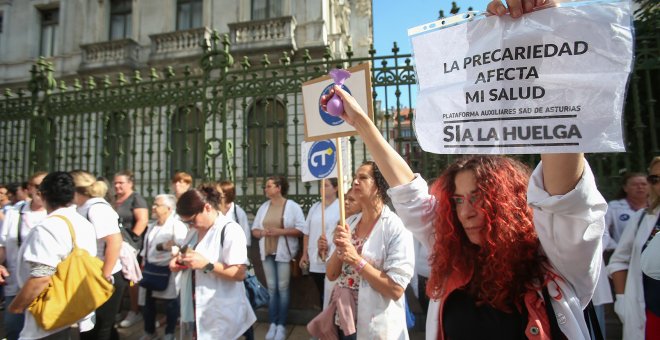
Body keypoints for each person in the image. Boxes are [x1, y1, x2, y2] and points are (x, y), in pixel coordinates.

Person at [325, 43, 608, 339]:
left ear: (508, 202)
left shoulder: (555, 261)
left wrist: (545, 36)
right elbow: (408, 191)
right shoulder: (452, 255)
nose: (465, 212)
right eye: (458, 200)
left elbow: (565, 195)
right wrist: (358, 121)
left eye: (478, 198)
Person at [309, 161, 415, 339]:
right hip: (343, 320)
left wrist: (356, 260)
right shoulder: (350, 223)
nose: (355, 182)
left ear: (380, 185)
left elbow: (396, 289)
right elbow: (332, 274)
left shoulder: (396, 227)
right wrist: (339, 248)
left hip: (376, 324)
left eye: (363, 178)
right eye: (355, 178)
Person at [7, 171, 98, 339]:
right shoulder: (84, 224)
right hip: (75, 306)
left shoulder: (47, 228)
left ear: (42, 196)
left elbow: (41, 278)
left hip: (49, 313)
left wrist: (16, 307)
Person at [172, 184, 256, 339]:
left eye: (192, 220)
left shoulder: (230, 230)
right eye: (187, 223)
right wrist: (178, 261)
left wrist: (206, 265)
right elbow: (187, 254)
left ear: (207, 207)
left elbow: (239, 273)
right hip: (194, 309)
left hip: (220, 310)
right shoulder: (193, 231)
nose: (191, 225)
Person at [608, 156, 660, 340]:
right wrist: (622, 301)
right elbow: (619, 261)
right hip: (651, 312)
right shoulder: (642, 218)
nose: (657, 184)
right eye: (654, 179)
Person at [71, 170, 125, 340]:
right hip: (90, 275)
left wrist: (104, 276)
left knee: (98, 329)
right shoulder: (81, 207)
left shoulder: (97, 208)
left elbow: (114, 242)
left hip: (104, 275)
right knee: (98, 328)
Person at [251, 176, 305, 340]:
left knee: (283, 288)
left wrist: (281, 232)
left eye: (268, 186)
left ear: (278, 188)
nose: (265, 189)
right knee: (272, 288)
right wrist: (262, 233)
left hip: (283, 254)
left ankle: (281, 325)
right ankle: (272, 324)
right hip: (267, 253)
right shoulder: (264, 207)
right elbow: (254, 229)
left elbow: (301, 230)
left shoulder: (292, 207)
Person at [0, 172, 47, 340]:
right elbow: (3, 244)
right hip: (16, 282)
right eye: (36, 186)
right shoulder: (14, 212)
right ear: (28, 189)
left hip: (45, 285)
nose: (41, 190)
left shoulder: (55, 213)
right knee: (13, 327)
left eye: (45, 185)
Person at [139, 194, 187, 340]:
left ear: (168, 208)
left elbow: (182, 246)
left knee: (171, 303)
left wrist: (169, 247)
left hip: (168, 270)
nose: (153, 207)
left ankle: (169, 333)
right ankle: (149, 331)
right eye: (154, 204)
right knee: (147, 302)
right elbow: (147, 247)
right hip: (150, 269)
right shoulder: (152, 226)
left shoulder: (176, 225)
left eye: (157, 205)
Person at [113, 170, 149, 328]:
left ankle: (134, 310)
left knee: (131, 279)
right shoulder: (114, 200)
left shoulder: (136, 198)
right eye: (115, 183)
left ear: (130, 183)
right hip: (114, 243)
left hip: (129, 245)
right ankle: (117, 309)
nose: (117, 186)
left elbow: (142, 220)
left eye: (121, 182)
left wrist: (132, 239)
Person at [301, 178, 341, 308]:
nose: (322, 188)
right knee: (322, 295)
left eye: (326, 185)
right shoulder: (315, 207)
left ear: (335, 188)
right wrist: (304, 254)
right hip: (315, 259)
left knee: (332, 296)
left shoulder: (340, 207)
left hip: (332, 258)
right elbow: (306, 232)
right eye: (321, 186)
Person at [604, 172, 649, 250]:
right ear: (625, 188)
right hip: (623, 255)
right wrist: (616, 248)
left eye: (644, 184)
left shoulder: (656, 207)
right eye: (634, 184)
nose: (640, 187)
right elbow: (602, 231)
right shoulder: (614, 207)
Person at [217, 180, 251, 247]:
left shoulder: (238, 212)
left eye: (219, 194)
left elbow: (246, 233)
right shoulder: (215, 211)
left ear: (226, 194)